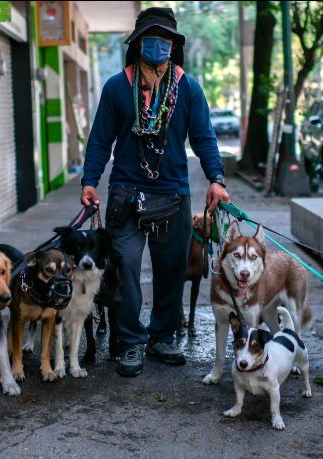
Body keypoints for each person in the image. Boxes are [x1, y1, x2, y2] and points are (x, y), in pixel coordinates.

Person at [81, 7, 230, 377]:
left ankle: (163, 336)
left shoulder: (189, 88)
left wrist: (216, 178)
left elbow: (204, 137)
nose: (159, 45)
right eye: (152, 38)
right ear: (138, 44)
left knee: (171, 271)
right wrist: (89, 180)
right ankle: (129, 341)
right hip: (126, 193)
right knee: (125, 267)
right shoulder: (116, 87)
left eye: (166, 39)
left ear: (174, 45)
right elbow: (100, 140)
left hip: (173, 193)